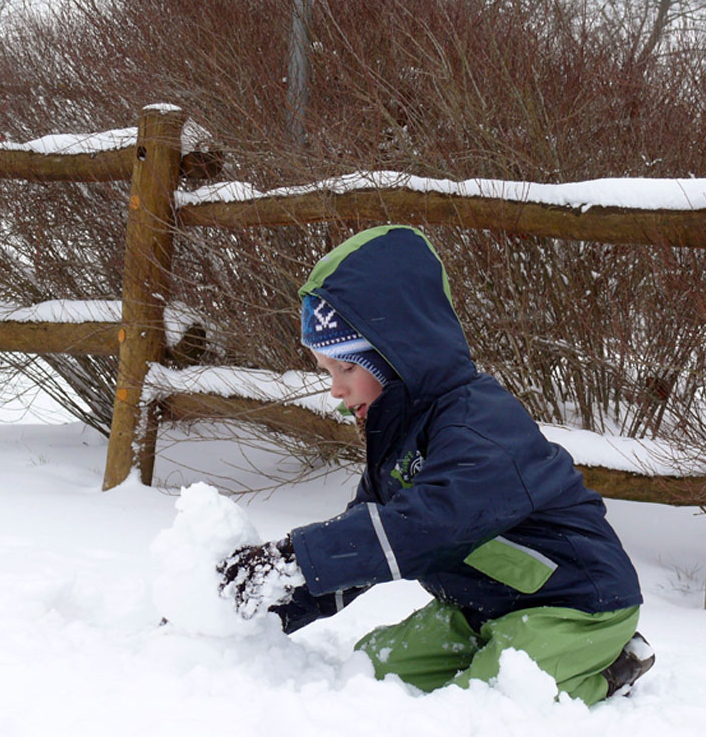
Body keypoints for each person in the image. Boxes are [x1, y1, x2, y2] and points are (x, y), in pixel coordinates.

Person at [218, 224, 654, 703]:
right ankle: (515, 651)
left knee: (492, 702)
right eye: (327, 372)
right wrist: (258, 606)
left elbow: (425, 527)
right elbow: (364, 543)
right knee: (372, 668)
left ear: (395, 354)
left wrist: (295, 558)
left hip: (576, 606)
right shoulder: (397, 439)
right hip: (481, 608)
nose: (336, 391)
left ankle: (608, 667)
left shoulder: (478, 427)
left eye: (346, 368)